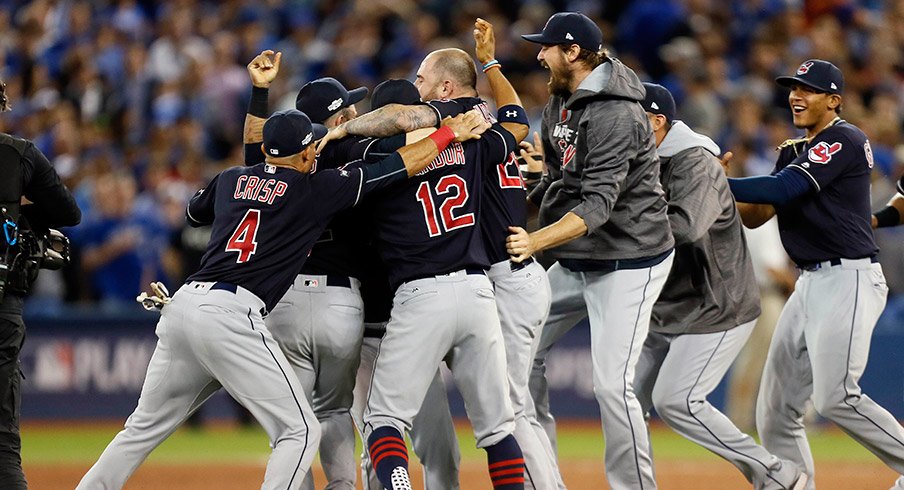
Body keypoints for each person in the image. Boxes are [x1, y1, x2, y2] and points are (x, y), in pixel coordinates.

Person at [76, 103, 490, 488]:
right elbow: (398, 166)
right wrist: (447, 135)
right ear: (307, 155)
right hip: (231, 313)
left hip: (184, 305)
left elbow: (193, 213)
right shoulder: (312, 191)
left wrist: (258, 107)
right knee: (301, 430)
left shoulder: (230, 178)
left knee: (141, 428)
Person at [317, 39, 533, 490]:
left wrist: (344, 132)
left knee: (384, 421)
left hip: (419, 295)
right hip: (477, 293)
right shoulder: (473, 141)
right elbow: (515, 123)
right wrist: (485, 77)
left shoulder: (377, 156)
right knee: (498, 430)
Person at [511, 12, 676, 489]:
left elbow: (597, 207)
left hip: (631, 258)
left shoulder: (618, 113)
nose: (539, 54)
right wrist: (529, 190)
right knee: (517, 359)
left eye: (547, 47)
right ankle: (546, 480)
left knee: (611, 385)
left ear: (574, 53)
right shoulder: (561, 99)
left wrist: (534, 241)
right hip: (580, 253)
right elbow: (560, 179)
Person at [726, 59, 904, 490]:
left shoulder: (844, 138)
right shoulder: (792, 150)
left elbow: (785, 190)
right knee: (775, 409)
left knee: (836, 396)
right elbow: (759, 215)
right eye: (792, 87)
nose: (796, 95)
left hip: (849, 278)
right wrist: (720, 188)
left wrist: (716, 181)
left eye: (808, 89)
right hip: (809, 283)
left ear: (834, 99)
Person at [634, 83, 807, 490]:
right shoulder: (635, 161)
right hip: (668, 307)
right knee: (617, 395)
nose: (618, 127)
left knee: (675, 400)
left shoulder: (694, 161)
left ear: (656, 122)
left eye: (630, 119)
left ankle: (774, 473)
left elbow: (687, 229)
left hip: (717, 305)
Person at [243, 51, 371, 490]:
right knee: (335, 410)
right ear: (336, 119)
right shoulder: (356, 154)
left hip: (286, 301)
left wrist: (260, 93)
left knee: (292, 425)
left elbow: (254, 150)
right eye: (348, 107)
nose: (356, 110)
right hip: (342, 301)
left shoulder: (277, 166)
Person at [0, 78, 81, 489]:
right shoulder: (17, 154)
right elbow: (68, 212)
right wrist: (18, 214)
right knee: (2, 447)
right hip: (2, 307)